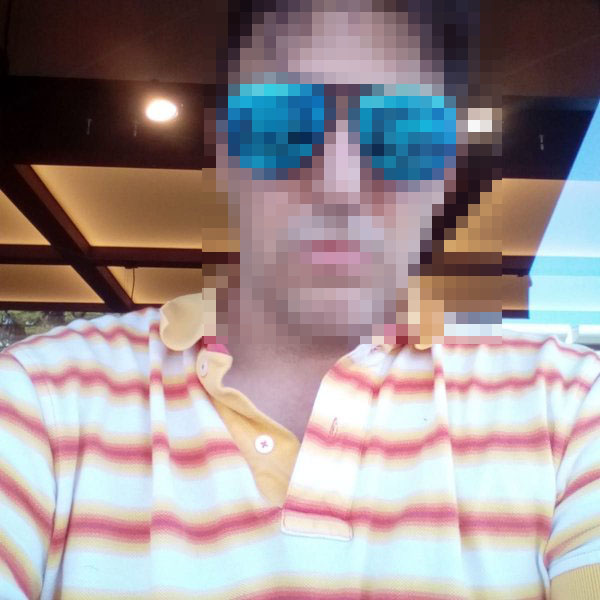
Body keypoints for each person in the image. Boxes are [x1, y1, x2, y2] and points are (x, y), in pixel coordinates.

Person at [1, 1, 599, 598]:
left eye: (397, 132)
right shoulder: (39, 401)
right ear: (226, 157)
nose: (339, 184)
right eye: (285, 126)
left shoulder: (571, 408)